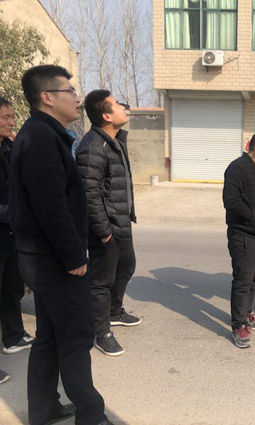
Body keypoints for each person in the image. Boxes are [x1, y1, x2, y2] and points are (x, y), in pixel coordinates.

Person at [10, 65, 112, 425]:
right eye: (69, 91)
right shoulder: (40, 138)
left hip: (43, 256)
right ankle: (91, 415)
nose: (77, 97)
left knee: (50, 336)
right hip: (54, 259)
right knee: (76, 337)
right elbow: (51, 205)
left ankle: (44, 409)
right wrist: (73, 256)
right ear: (47, 97)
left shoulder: (42, 133)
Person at [76, 90, 139, 357]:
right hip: (106, 228)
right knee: (101, 282)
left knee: (127, 266)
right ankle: (101, 333)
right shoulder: (93, 146)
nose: (123, 107)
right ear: (106, 116)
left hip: (120, 221)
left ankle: (114, 312)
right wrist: (103, 233)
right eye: (116, 105)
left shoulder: (114, 140)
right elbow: (88, 195)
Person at [223, 132, 255, 348]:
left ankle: (246, 313)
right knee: (243, 280)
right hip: (243, 234)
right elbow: (231, 201)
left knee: (254, 278)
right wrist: (253, 217)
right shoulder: (237, 168)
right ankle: (238, 325)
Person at [0, 97, 35, 359]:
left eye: (13, 116)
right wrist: (13, 213)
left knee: (11, 288)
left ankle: (13, 336)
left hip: (9, 236)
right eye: (6, 118)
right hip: (6, 224)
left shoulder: (7, 148)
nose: (12, 122)